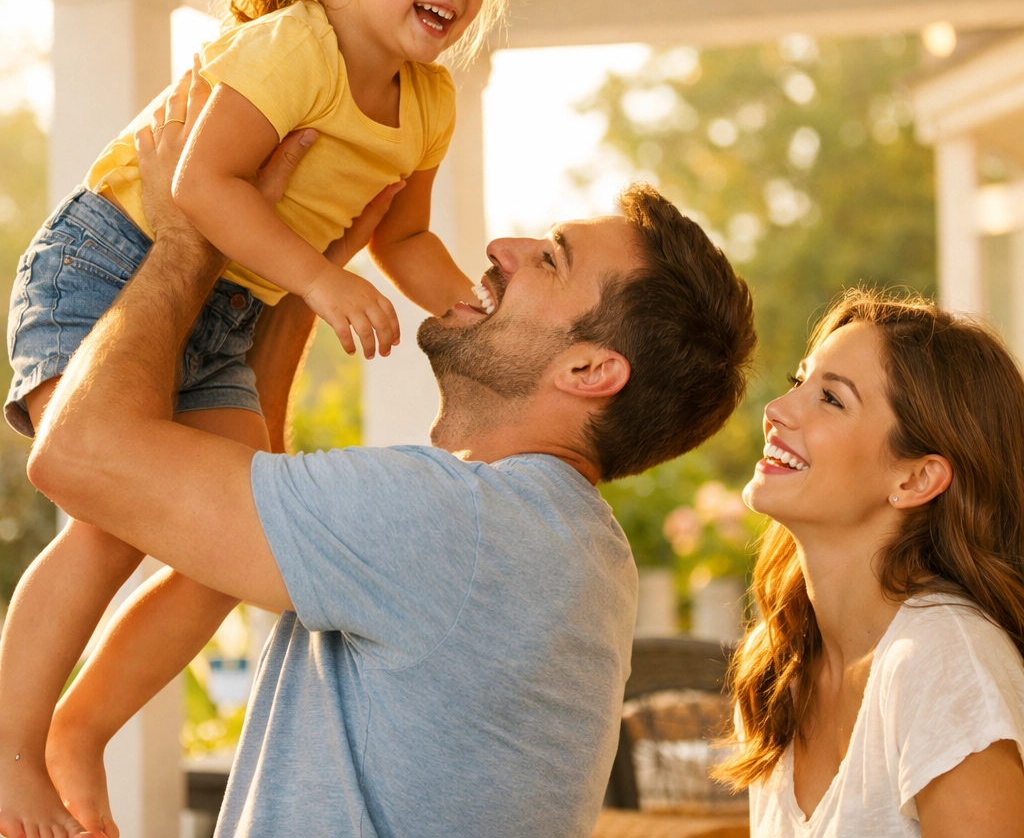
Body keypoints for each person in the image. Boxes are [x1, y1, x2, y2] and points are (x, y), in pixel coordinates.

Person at [22, 74, 756, 837]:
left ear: (589, 371)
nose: (504, 248)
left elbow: (77, 453)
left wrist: (188, 238)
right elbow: (258, 490)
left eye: (552, 260)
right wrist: (297, 284)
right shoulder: (548, 538)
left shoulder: (460, 524)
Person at [0, 0, 514, 835]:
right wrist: (322, 283)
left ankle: (79, 728)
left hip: (225, 313)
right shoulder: (291, 48)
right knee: (107, 528)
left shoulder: (430, 102)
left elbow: (405, 235)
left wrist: (470, 311)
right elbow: (200, 182)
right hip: (111, 270)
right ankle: (10, 746)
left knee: (236, 543)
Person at [716, 290, 1024, 837]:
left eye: (831, 399)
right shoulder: (781, 666)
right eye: (798, 382)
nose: (777, 410)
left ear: (915, 479)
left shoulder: (942, 661)